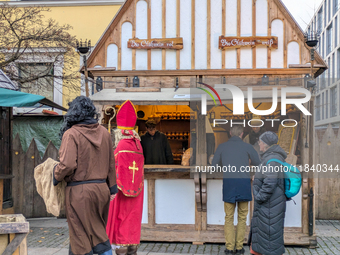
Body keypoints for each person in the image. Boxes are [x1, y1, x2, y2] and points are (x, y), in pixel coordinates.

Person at [53, 96, 117, 255]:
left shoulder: (71, 134)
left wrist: (56, 174)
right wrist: (113, 188)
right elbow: (111, 162)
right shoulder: (104, 132)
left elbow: (67, 164)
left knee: (80, 236)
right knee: (99, 233)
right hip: (102, 190)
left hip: (79, 193)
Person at [212, 125, 261, 255]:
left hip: (229, 185)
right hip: (244, 185)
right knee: (242, 217)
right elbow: (258, 162)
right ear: (242, 134)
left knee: (228, 217)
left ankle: (229, 247)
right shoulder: (248, 147)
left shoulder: (222, 147)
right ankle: (239, 247)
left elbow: (214, 165)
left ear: (230, 133)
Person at [106, 100, 144, 255]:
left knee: (121, 224)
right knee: (132, 224)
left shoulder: (120, 146)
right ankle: (133, 250)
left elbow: (114, 168)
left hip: (121, 193)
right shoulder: (138, 145)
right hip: (137, 191)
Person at [248, 131, 287, 255]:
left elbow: (270, 182)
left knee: (269, 237)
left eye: (260, 142)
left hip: (270, 204)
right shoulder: (271, 157)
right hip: (270, 204)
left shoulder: (272, 159)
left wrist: (259, 197)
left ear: (265, 144)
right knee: (267, 236)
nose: (259, 144)